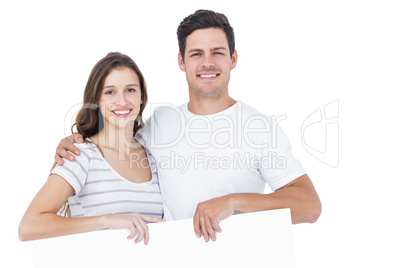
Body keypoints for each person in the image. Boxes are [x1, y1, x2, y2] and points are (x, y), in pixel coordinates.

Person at [54, 10, 321, 243]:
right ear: (182, 62)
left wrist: (233, 201)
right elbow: (115, 140)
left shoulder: (260, 128)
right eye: (196, 54)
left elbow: (309, 206)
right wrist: (76, 141)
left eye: (217, 52)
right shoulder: (160, 123)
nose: (207, 63)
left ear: (234, 59)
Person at [19, 52, 165, 244]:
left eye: (130, 90)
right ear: (96, 100)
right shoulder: (81, 154)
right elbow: (29, 227)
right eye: (110, 92)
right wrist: (107, 221)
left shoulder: (154, 155)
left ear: (141, 97)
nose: (122, 101)